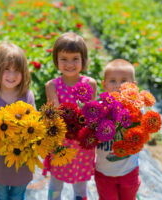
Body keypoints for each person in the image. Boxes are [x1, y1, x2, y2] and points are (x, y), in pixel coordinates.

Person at [43, 32, 97, 200]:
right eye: (64, 59)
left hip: (82, 144)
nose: (70, 64)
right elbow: (57, 115)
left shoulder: (90, 84)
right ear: (56, 61)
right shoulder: (52, 85)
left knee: (80, 187)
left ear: (84, 60)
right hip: (62, 143)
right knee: (56, 183)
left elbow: (92, 114)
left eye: (75, 58)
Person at [0, 42, 34, 200]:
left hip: (22, 159)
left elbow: (34, 124)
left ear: (24, 72)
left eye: (17, 71)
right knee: (0, 195)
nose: (12, 76)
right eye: (6, 69)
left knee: (18, 195)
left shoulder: (27, 95)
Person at [95, 59, 140, 200]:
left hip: (129, 171)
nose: (118, 86)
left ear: (133, 85)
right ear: (104, 85)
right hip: (104, 172)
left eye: (124, 81)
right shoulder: (98, 109)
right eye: (113, 81)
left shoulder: (137, 110)